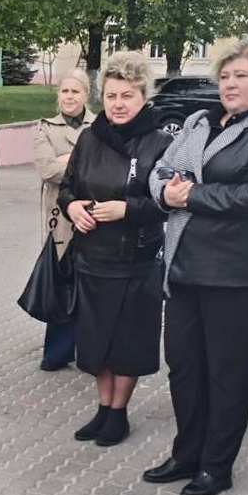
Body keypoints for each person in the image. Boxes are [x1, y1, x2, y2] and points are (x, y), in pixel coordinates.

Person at [143, 39, 248, 495]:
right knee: (183, 367)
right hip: (184, 265)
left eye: (241, 76)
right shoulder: (200, 121)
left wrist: (191, 195)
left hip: (240, 274)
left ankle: (217, 465)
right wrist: (165, 192)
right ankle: (186, 453)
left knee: (225, 373)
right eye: (225, 76)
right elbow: (161, 168)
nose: (229, 84)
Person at [57, 51, 173, 445]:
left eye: (127, 96)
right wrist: (73, 206)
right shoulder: (90, 138)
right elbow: (67, 187)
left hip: (136, 261)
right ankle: (103, 407)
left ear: (143, 97)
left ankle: (119, 412)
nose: (118, 104)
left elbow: (167, 202)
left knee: (127, 343)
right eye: (111, 96)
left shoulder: (160, 142)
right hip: (92, 258)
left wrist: (128, 209)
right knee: (96, 341)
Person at [33, 69, 94, 370]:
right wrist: (84, 162)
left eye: (75, 91)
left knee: (92, 283)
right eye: (65, 91)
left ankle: (91, 351)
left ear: (86, 95)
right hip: (59, 217)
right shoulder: (45, 127)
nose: (69, 97)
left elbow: (106, 167)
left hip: (93, 212)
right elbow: (47, 170)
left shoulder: (100, 125)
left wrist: (67, 161)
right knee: (61, 282)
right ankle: (57, 353)